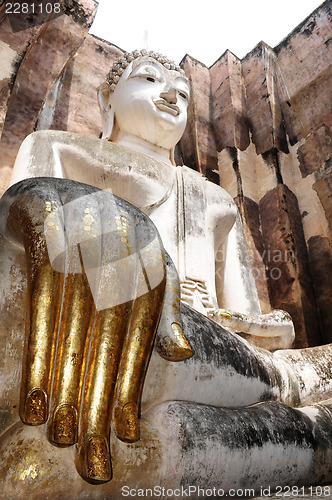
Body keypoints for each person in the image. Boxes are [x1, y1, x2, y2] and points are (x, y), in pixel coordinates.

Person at [0, 50, 331, 496]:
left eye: (182, 92)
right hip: (89, 319)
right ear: (107, 100)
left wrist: (251, 322)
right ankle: (303, 409)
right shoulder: (57, 147)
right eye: (150, 79)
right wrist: (81, 209)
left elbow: (260, 326)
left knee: (245, 366)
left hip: (213, 346)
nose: (171, 95)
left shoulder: (213, 199)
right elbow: (21, 250)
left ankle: (294, 388)